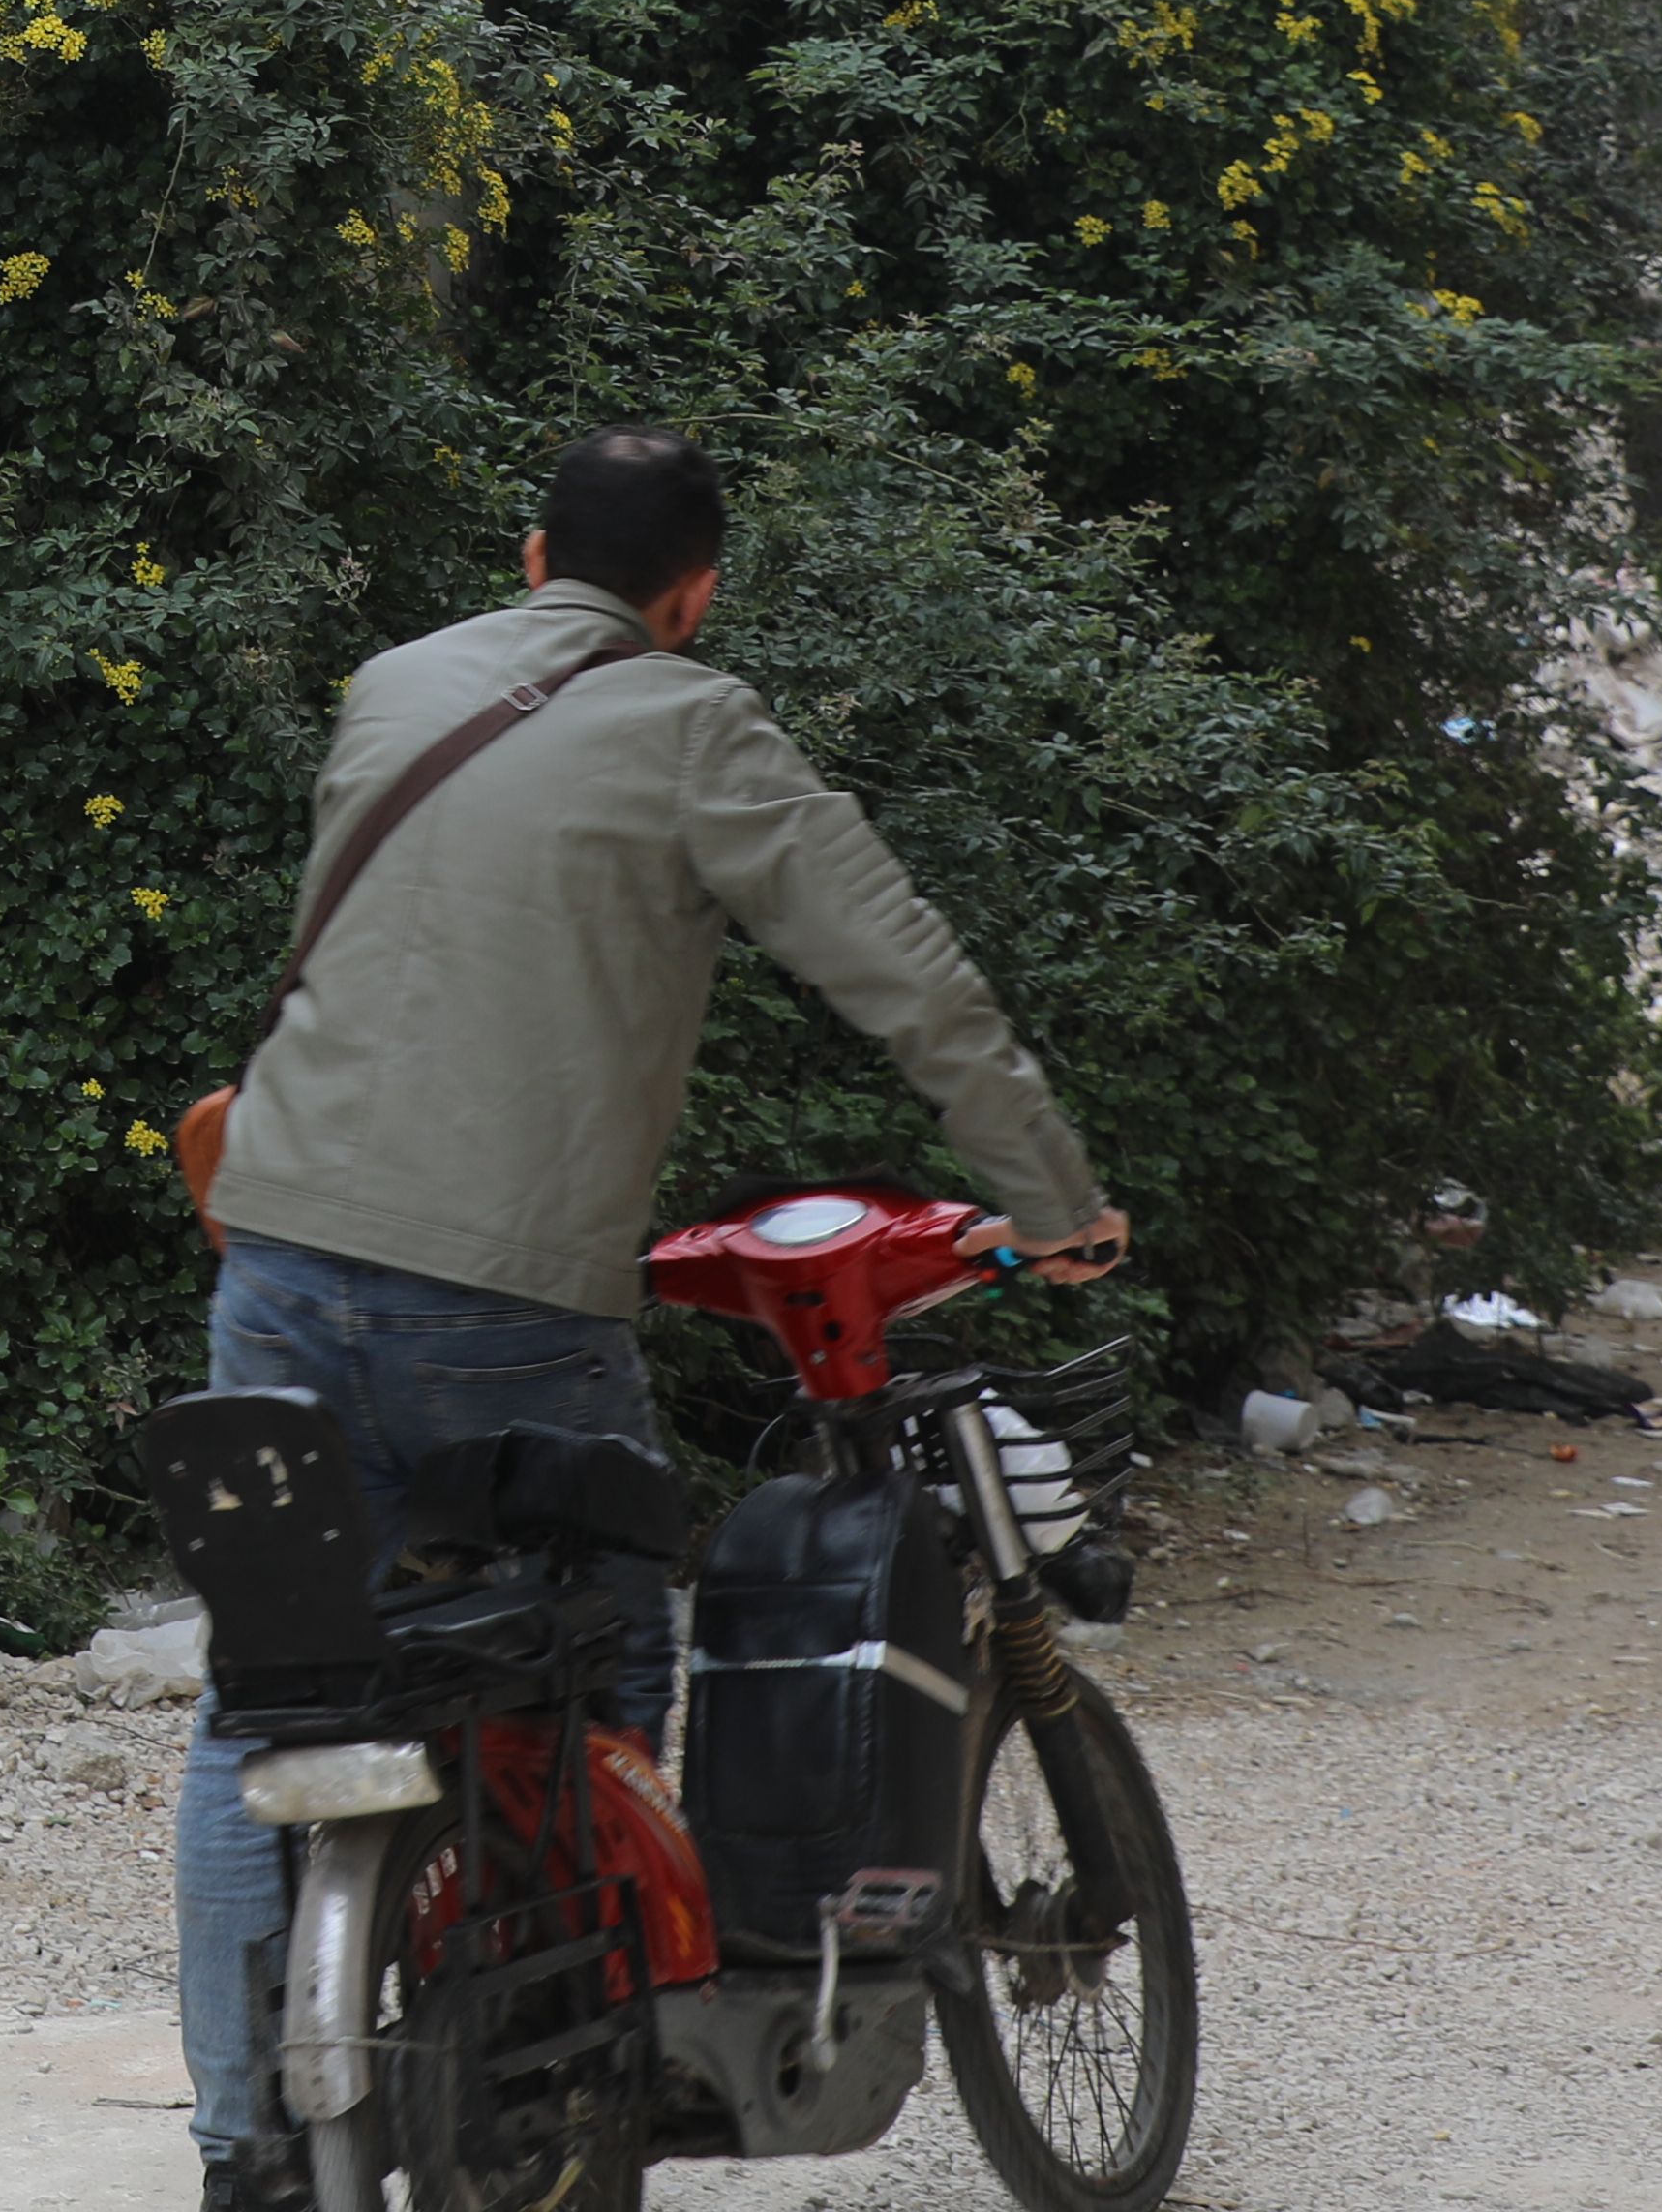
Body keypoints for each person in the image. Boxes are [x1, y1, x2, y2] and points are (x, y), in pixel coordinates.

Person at [172, 424, 1122, 2208]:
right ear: (690, 594)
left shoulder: (391, 686)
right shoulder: (695, 725)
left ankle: (247, 2152)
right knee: (599, 1666)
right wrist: (1057, 1205)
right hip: (503, 1308)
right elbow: (906, 978)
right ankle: (571, 2085)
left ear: (532, 557)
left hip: (279, 1266)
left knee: (266, 1706)